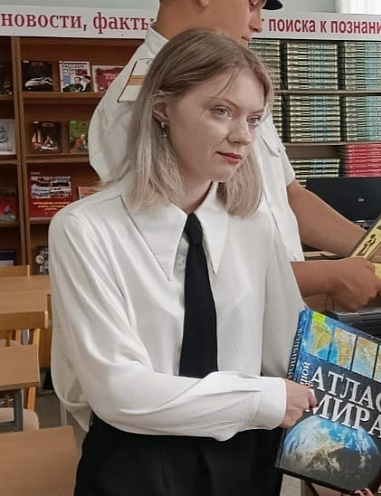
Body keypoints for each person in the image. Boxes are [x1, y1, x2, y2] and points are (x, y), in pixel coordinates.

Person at [51, 28, 316, 495]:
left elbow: (295, 357)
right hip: (136, 465)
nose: (243, 136)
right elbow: (119, 390)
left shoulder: (254, 227)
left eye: (254, 118)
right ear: (162, 110)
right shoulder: (85, 229)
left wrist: (362, 450)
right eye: (221, 111)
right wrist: (262, 399)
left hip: (245, 463)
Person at [87, 0, 381, 310]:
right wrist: (327, 277)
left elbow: (289, 197)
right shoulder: (140, 103)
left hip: (281, 316)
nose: (258, 24)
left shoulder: (236, 82)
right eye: (252, 4)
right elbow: (177, 264)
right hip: (214, 332)